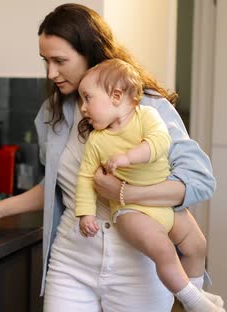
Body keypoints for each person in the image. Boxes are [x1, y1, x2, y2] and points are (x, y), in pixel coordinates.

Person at [0, 3, 218, 311]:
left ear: (90, 53)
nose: (51, 73)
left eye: (60, 61)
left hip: (137, 266)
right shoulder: (51, 113)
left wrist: (126, 193)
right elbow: (55, 184)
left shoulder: (146, 107)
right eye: (45, 61)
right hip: (72, 261)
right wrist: (0, 208)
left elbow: (199, 181)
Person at [74, 58, 222, 312]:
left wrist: (128, 157)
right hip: (130, 212)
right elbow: (86, 178)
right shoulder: (96, 141)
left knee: (198, 244)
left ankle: (195, 297)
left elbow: (160, 142)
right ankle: (195, 302)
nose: (82, 108)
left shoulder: (147, 116)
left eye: (87, 98)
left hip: (164, 205)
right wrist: (85, 213)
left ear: (116, 96)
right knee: (164, 251)